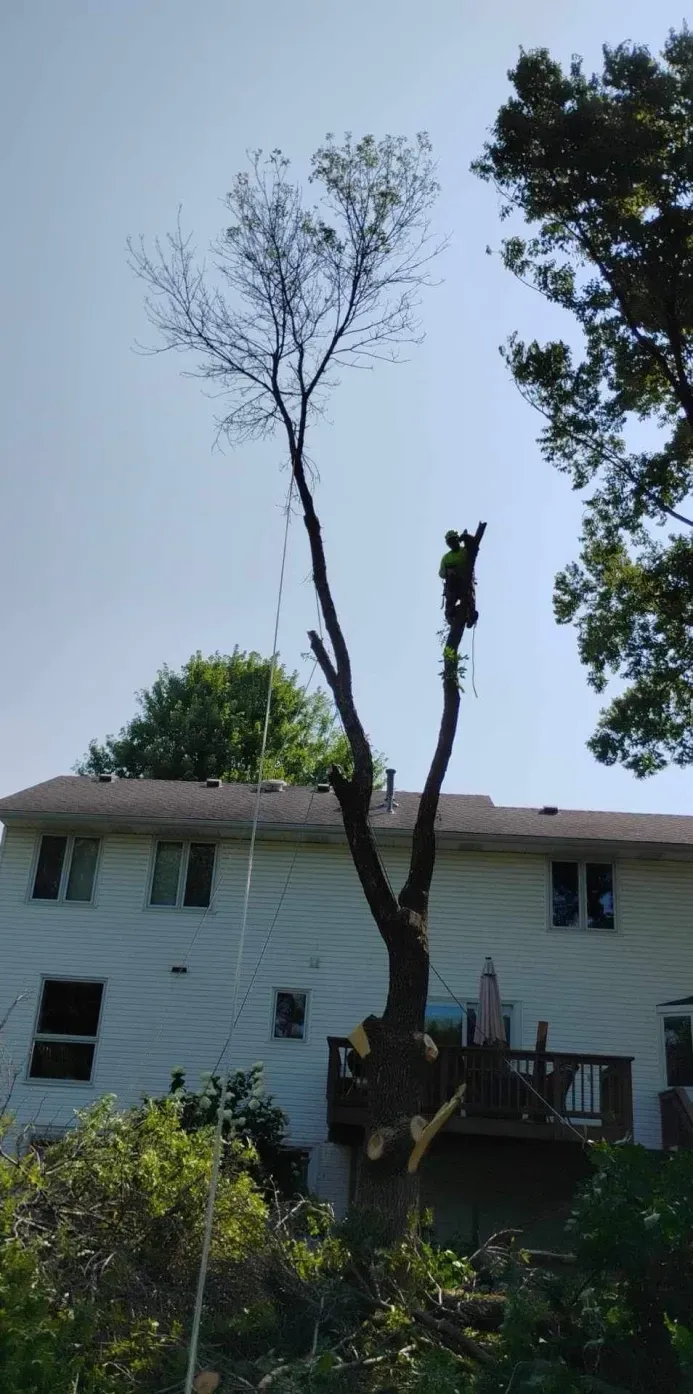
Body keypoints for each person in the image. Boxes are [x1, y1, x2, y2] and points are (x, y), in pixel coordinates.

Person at [439, 529, 478, 625]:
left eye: (453, 541)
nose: (452, 544)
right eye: (449, 542)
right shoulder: (446, 557)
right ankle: (452, 616)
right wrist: (448, 571)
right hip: (452, 585)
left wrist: (466, 536)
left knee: (469, 598)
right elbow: (441, 574)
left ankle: (470, 615)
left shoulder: (465, 551)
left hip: (465, 581)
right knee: (450, 602)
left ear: (457, 540)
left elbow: (474, 548)